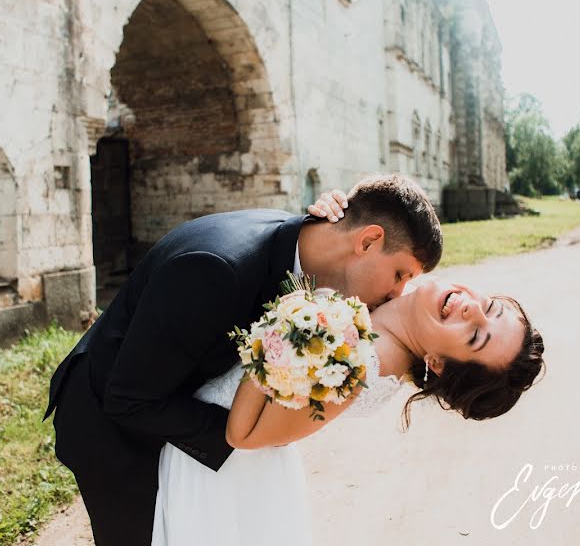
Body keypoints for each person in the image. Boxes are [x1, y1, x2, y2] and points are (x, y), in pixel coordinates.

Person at [45, 174, 442, 545]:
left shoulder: (301, 246)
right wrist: (250, 432)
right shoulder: (216, 268)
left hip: (166, 401)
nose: (397, 295)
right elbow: (128, 399)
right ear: (369, 240)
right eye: (399, 275)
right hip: (112, 428)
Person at [151, 191, 545, 546]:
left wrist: (280, 334)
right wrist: (330, 222)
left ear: (438, 364)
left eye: (475, 336)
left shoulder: (357, 366)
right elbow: (341, 252)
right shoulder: (390, 300)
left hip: (217, 479)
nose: (472, 310)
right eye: (490, 308)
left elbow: (244, 435)